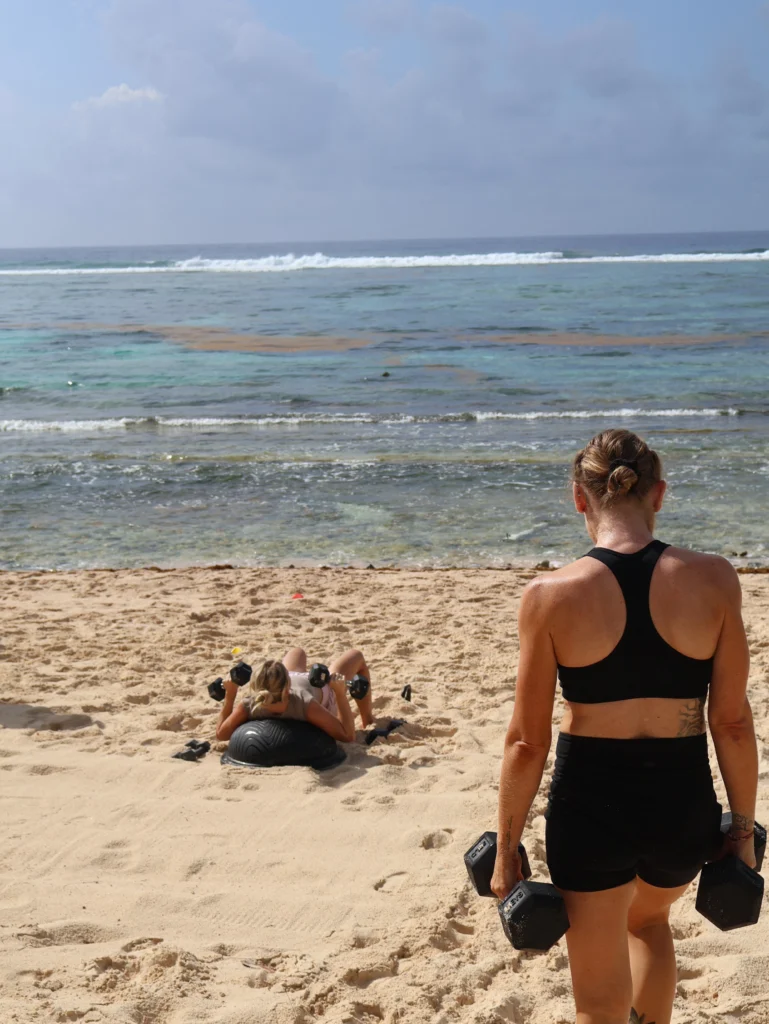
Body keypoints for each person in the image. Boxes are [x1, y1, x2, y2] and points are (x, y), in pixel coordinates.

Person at [491, 429, 758, 1024]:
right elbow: (734, 723)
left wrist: (507, 849)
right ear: (658, 495)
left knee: (599, 1002)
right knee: (649, 919)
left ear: (580, 500)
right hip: (680, 802)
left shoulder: (548, 595)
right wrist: (742, 827)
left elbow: (526, 741)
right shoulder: (715, 579)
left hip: (590, 806)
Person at [215, 647, 374, 744]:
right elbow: (347, 736)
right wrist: (339, 693)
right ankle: (367, 720)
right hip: (322, 689)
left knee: (297, 652)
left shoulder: (250, 703)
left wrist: (230, 696)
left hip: (293, 680)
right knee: (357, 656)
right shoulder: (304, 703)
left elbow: (221, 735)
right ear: (288, 686)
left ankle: (291, 672)